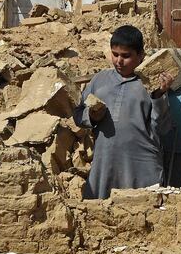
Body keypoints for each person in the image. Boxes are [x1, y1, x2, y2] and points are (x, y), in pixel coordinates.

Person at [73, 25, 173, 199]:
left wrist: (159, 96)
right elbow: (78, 114)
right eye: (115, 54)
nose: (119, 61)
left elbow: (163, 129)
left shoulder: (151, 83)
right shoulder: (100, 80)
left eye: (126, 56)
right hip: (105, 163)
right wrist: (91, 116)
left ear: (141, 55)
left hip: (141, 166)